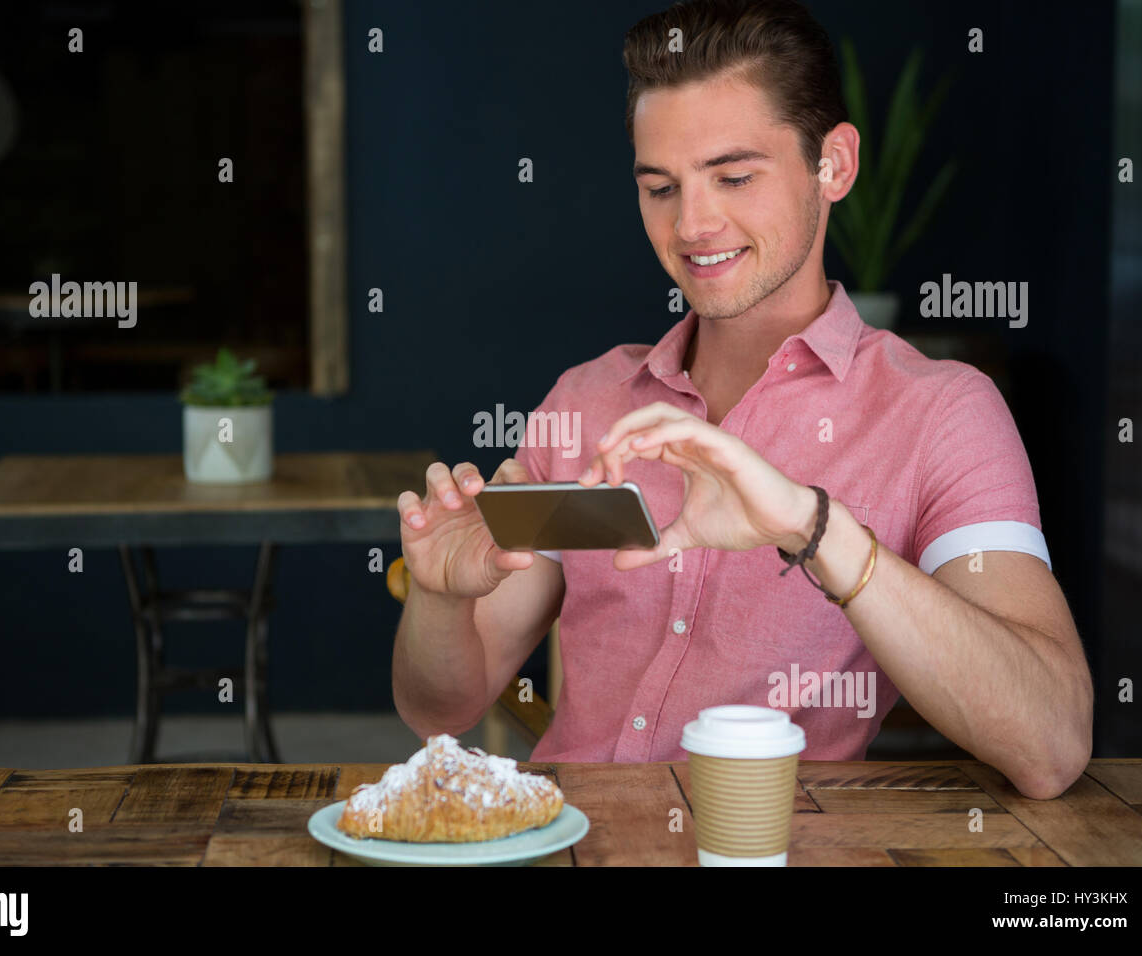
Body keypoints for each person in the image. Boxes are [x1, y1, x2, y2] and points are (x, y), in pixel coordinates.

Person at [392, 0, 1092, 800]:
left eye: (734, 176)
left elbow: (1052, 744)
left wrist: (813, 526)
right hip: (564, 844)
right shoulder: (584, 402)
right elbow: (438, 705)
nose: (693, 224)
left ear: (833, 164)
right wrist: (441, 600)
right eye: (660, 187)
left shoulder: (942, 415)